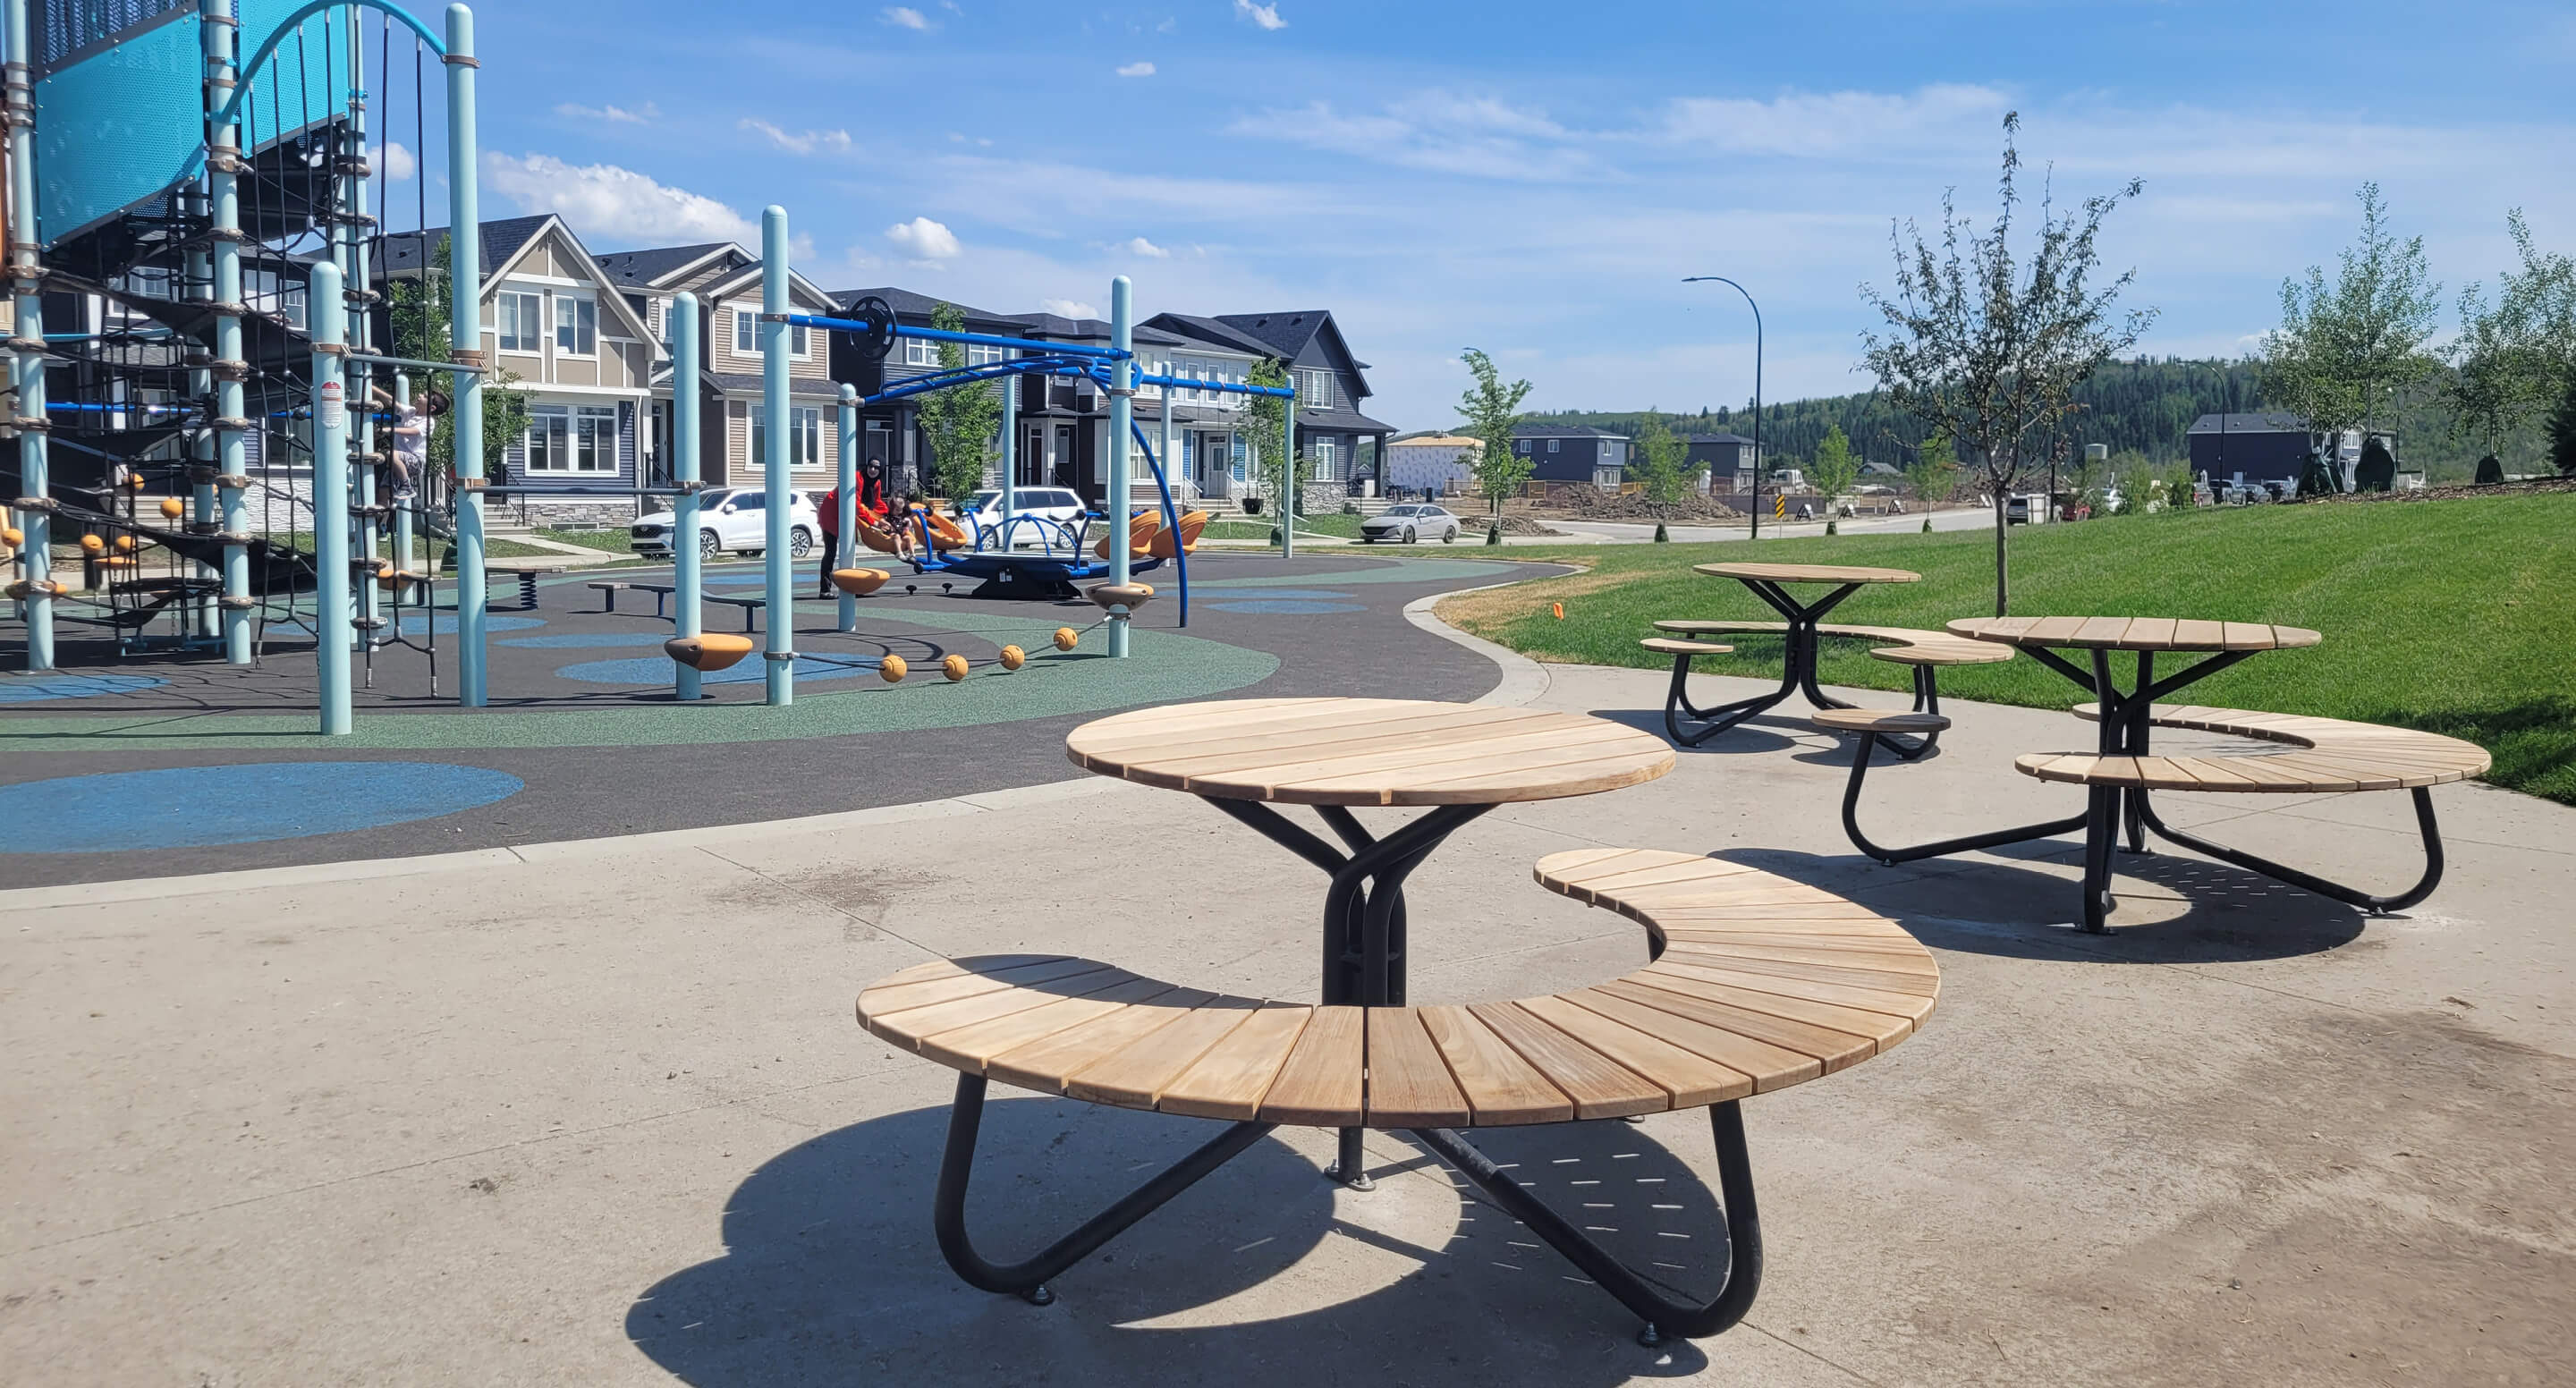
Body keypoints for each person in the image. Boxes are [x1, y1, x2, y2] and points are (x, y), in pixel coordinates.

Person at [369, 385, 445, 501]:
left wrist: (389, 429)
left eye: (424, 396)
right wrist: (372, 387)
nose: (420, 395)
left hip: (415, 460)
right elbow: (390, 400)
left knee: (391, 454)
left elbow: (413, 432)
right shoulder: (410, 411)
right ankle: (381, 517)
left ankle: (407, 486)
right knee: (384, 492)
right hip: (399, 462)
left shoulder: (428, 421)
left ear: (432, 408)